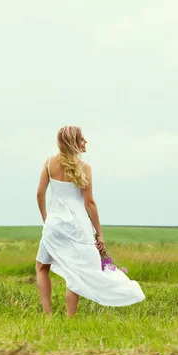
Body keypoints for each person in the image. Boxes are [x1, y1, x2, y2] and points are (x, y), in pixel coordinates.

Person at [35, 125, 145, 317]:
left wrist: (46, 217)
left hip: (54, 225)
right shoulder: (84, 168)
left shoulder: (49, 163)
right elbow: (90, 203)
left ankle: (47, 315)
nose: (86, 142)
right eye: (82, 139)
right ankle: (71, 317)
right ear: (73, 142)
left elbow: (39, 193)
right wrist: (99, 233)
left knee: (41, 267)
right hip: (78, 226)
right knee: (77, 271)